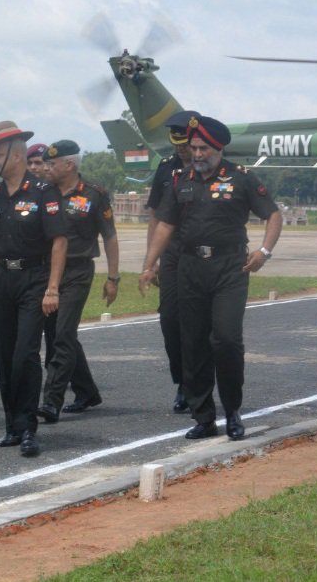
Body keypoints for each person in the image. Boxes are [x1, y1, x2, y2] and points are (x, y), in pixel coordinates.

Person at [140, 115, 282, 440]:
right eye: (194, 147)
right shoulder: (179, 180)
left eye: (203, 148)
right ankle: (203, 417)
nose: (197, 153)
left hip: (230, 268)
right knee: (193, 344)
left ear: (217, 148)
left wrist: (264, 251)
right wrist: (149, 265)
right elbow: (164, 224)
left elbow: (272, 214)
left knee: (227, 340)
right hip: (190, 268)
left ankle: (232, 410)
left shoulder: (241, 178)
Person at [0, 122, 68, 457]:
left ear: (16, 152)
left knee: (25, 355)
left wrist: (53, 288)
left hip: (34, 279)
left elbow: (59, 242)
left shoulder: (44, 192)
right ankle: (11, 425)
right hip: (2, 279)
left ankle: (28, 427)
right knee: (3, 355)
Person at [36, 140, 120, 423]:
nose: (45, 168)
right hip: (46, 273)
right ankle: (87, 392)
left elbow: (109, 236)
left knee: (61, 335)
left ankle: (51, 400)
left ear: (69, 165)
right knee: (60, 334)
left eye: (51, 164)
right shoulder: (42, 193)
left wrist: (113, 277)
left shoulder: (94, 195)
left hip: (77, 272)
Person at [146, 110, 199, 413]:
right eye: (177, 144)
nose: (180, 149)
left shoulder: (210, 168)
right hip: (171, 254)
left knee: (198, 323)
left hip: (201, 254)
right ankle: (182, 380)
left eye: (186, 143)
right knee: (169, 320)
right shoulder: (165, 170)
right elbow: (155, 217)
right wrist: (149, 262)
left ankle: (196, 384)